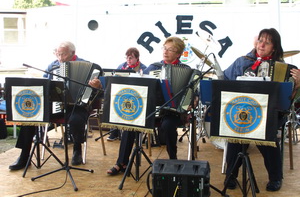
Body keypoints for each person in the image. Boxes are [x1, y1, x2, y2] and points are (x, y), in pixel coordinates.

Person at [223, 28, 300, 192]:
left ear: (274, 47)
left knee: (267, 134)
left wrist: (298, 85)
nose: (262, 44)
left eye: (268, 42)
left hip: (270, 114)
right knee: (234, 133)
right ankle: (231, 175)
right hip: (242, 110)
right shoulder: (241, 62)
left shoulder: (284, 68)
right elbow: (223, 79)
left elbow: (291, 99)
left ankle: (275, 177)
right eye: (260, 40)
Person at [9, 41, 102, 170]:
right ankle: (24, 156)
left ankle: (77, 149)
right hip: (55, 104)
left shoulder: (89, 66)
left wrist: (97, 86)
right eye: (57, 54)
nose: (59, 58)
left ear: (72, 53)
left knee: (76, 119)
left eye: (63, 54)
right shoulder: (52, 66)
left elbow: (98, 92)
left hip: (77, 105)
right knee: (30, 114)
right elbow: (43, 84)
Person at [107, 36, 188, 175]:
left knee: (168, 126)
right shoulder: (153, 67)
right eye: (165, 48)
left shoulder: (186, 70)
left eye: (171, 50)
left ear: (178, 53)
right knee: (130, 122)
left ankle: (173, 159)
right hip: (151, 110)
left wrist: (192, 101)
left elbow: (191, 93)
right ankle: (122, 162)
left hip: (173, 112)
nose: (166, 52)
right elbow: (140, 86)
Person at [107, 47, 147, 141]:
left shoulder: (143, 68)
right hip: (123, 92)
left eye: (131, 58)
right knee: (114, 102)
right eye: (127, 58)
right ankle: (115, 131)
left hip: (137, 95)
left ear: (137, 58)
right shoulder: (122, 66)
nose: (128, 60)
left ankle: (134, 134)